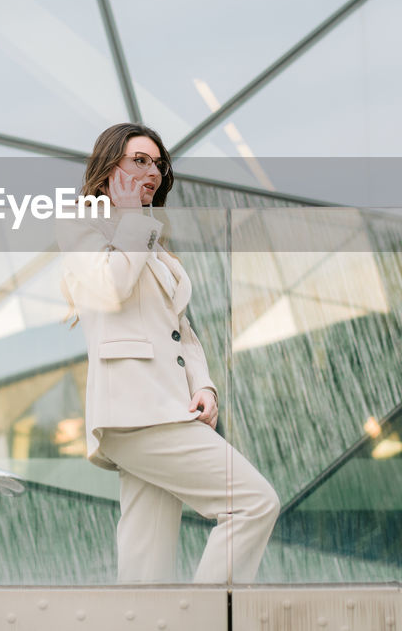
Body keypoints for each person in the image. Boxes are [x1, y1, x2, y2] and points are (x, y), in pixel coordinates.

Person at [57, 122, 279, 584]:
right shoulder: (81, 225)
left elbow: (181, 330)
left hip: (164, 406)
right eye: (139, 160)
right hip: (136, 410)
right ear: (109, 164)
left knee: (145, 567)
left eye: (157, 163)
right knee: (254, 502)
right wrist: (131, 217)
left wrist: (204, 385)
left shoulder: (155, 248)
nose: (153, 170)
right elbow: (112, 288)